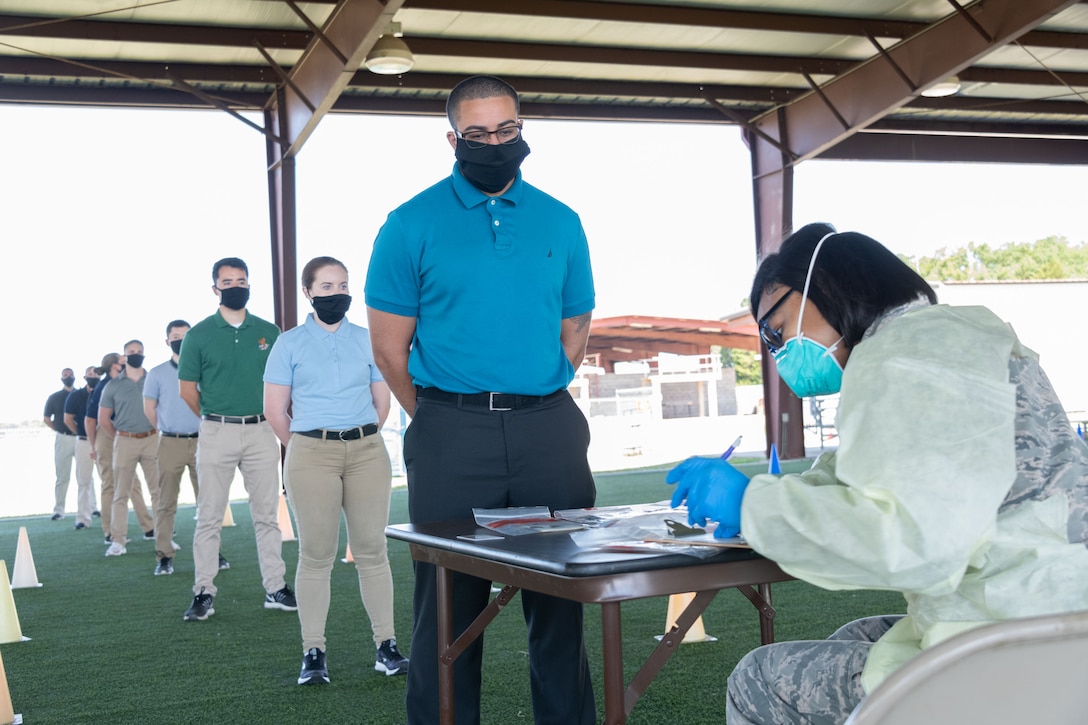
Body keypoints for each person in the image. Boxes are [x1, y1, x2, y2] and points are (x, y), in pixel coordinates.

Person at [665, 222, 1088, 724]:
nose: (776, 350)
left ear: (823, 287)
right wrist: (772, 493)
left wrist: (751, 505)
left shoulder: (895, 357)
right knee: (859, 637)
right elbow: (872, 472)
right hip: (1061, 614)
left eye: (774, 329)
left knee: (757, 679)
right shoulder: (962, 335)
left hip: (1010, 638)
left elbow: (911, 545)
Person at [365, 75, 597, 724]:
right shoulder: (409, 225)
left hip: (548, 430)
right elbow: (388, 349)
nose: (495, 144)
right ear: (452, 138)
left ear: (521, 128)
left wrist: (533, 392)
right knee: (446, 613)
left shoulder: (562, 220)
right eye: (478, 134)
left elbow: (574, 328)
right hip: (450, 434)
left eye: (507, 130)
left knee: (560, 609)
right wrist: (442, 414)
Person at [265, 256, 408, 686]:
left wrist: (359, 438)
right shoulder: (288, 344)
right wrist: (309, 449)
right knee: (316, 555)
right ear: (308, 293)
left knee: (372, 552)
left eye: (343, 285)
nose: (337, 294)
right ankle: (314, 651)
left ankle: (387, 646)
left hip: (367, 451)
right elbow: (275, 411)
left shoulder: (367, 340)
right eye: (326, 287)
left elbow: (382, 403)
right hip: (310, 453)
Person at [178, 256, 296, 621]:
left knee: (267, 516)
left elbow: (283, 384)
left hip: (261, 431)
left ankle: (276, 587)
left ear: (249, 284)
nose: (235, 287)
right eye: (227, 282)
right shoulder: (198, 335)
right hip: (216, 431)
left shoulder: (269, 332)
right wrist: (215, 420)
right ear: (215, 288)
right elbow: (187, 391)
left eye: (241, 280)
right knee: (209, 516)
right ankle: (203, 592)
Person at [145, 319, 230, 576]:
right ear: (167, 340)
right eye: (175, 335)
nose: (180, 339)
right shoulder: (157, 373)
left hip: (204, 441)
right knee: (165, 502)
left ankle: (213, 553)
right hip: (170, 442)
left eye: (185, 335)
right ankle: (164, 556)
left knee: (208, 502)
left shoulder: (206, 370)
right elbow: (150, 409)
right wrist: (167, 430)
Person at [99, 340, 161, 556]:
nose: (136, 355)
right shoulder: (113, 385)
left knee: (158, 492)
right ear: (124, 356)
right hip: (124, 441)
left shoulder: (153, 379)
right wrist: (119, 436)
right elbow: (103, 419)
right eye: (131, 352)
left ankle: (163, 538)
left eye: (139, 352)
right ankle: (118, 541)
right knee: (120, 493)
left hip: (153, 439)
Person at [86, 352, 153, 546]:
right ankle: (109, 532)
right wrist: (93, 446)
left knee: (133, 483)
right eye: (122, 363)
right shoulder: (104, 386)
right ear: (113, 366)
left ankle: (149, 527)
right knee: (110, 484)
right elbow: (91, 419)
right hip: (107, 436)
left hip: (124, 435)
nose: (128, 365)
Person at [63, 366, 101, 530]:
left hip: (104, 442)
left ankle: (113, 518)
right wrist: (82, 433)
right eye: (89, 374)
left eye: (95, 374)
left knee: (109, 481)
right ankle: (82, 519)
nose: (92, 376)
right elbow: (68, 420)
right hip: (83, 442)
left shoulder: (104, 392)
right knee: (83, 480)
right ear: (85, 376)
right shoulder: (75, 396)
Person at [43, 368, 78, 520]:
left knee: (85, 476)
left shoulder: (80, 395)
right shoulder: (54, 397)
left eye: (70, 375)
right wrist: (58, 429)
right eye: (65, 375)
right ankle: (59, 510)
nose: (68, 377)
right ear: (61, 378)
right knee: (62, 476)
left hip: (81, 438)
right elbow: (46, 418)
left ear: (75, 377)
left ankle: (92, 508)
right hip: (63, 438)